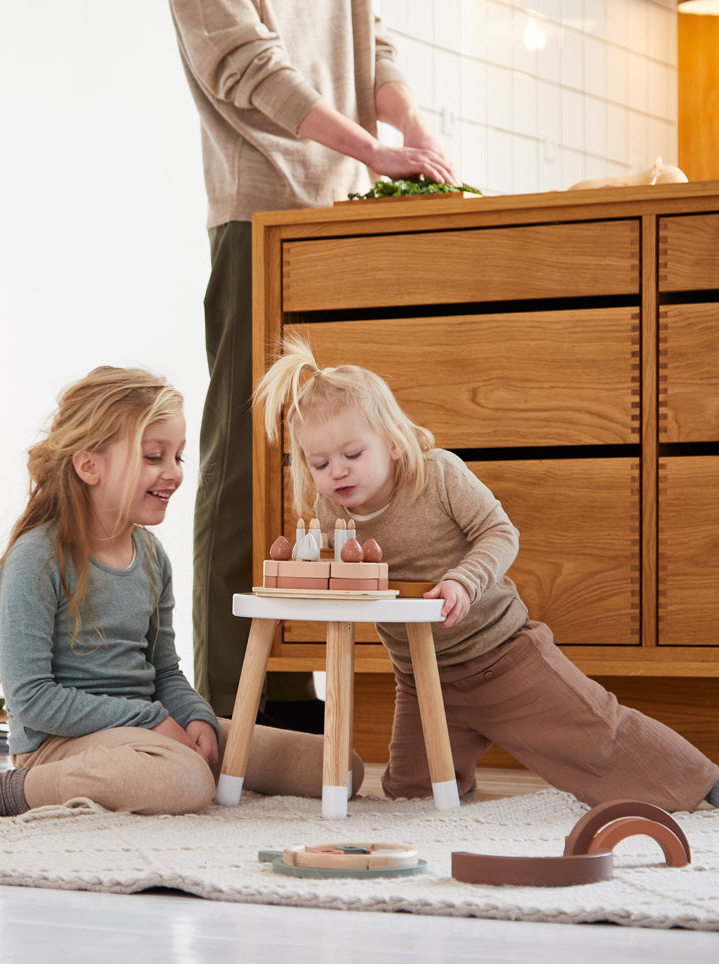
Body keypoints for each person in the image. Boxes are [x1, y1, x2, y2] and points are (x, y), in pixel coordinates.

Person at [252, 339, 719, 815]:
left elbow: (500, 533)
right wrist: (296, 601)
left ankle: (706, 782)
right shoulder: (330, 512)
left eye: (352, 455)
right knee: (410, 799)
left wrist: (463, 581)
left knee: (600, 735)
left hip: (505, 657)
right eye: (319, 463)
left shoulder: (440, 475)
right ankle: (459, 779)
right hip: (424, 677)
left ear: (393, 442)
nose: (337, 472)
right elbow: (332, 576)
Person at [169, 0, 458, 729]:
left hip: (343, 209)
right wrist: (373, 151)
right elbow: (247, 65)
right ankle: (231, 703)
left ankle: (292, 693)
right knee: (245, 462)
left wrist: (413, 129)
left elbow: (371, 46)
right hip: (260, 210)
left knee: (319, 460)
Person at [0, 366, 362, 821]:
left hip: (143, 731)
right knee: (186, 779)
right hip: (60, 744)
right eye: (154, 457)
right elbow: (32, 700)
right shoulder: (36, 560)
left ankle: (161, 764)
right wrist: (149, 720)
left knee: (338, 767)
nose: (173, 473)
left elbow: (165, 672)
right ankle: (11, 791)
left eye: (178, 457)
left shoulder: (152, 556)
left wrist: (195, 716)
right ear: (89, 465)